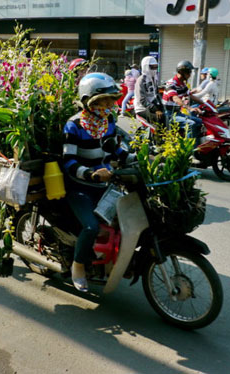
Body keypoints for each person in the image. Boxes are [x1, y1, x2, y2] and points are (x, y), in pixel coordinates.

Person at [63, 72, 134, 292]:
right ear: (89, 100)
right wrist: (92, 175)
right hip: (79, 187)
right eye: (103, 100)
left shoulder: (108, 120)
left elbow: (113, 148)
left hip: (105, 185)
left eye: (111, 100)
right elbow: (68, 162)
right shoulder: (73, 125)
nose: (109, 105)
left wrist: (136, 158)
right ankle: (78, 266)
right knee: (92, 227)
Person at [162, 60, 205, 140]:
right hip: (169, 114)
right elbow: (175, 98)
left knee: (199, 121)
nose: (190, 75)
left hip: (177, 113)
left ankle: (196, 144)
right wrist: (190, 108)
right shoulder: (171, 83)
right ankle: (188, 148)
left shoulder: (182, 84)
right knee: (191, 124)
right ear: (182, 72)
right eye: (188, 72)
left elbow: (191, 95)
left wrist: (205, 103)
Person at [134, 56, 163, 124]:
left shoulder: (154, 79)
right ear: (146, 67)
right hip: (142, 108)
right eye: (152, 67)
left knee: (169, 115)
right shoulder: (141, 80)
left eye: (156, 67)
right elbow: (142, 99)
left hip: (152, 106)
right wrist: (155, 110)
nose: (154, 69)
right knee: (161, 118)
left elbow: (156, 94)